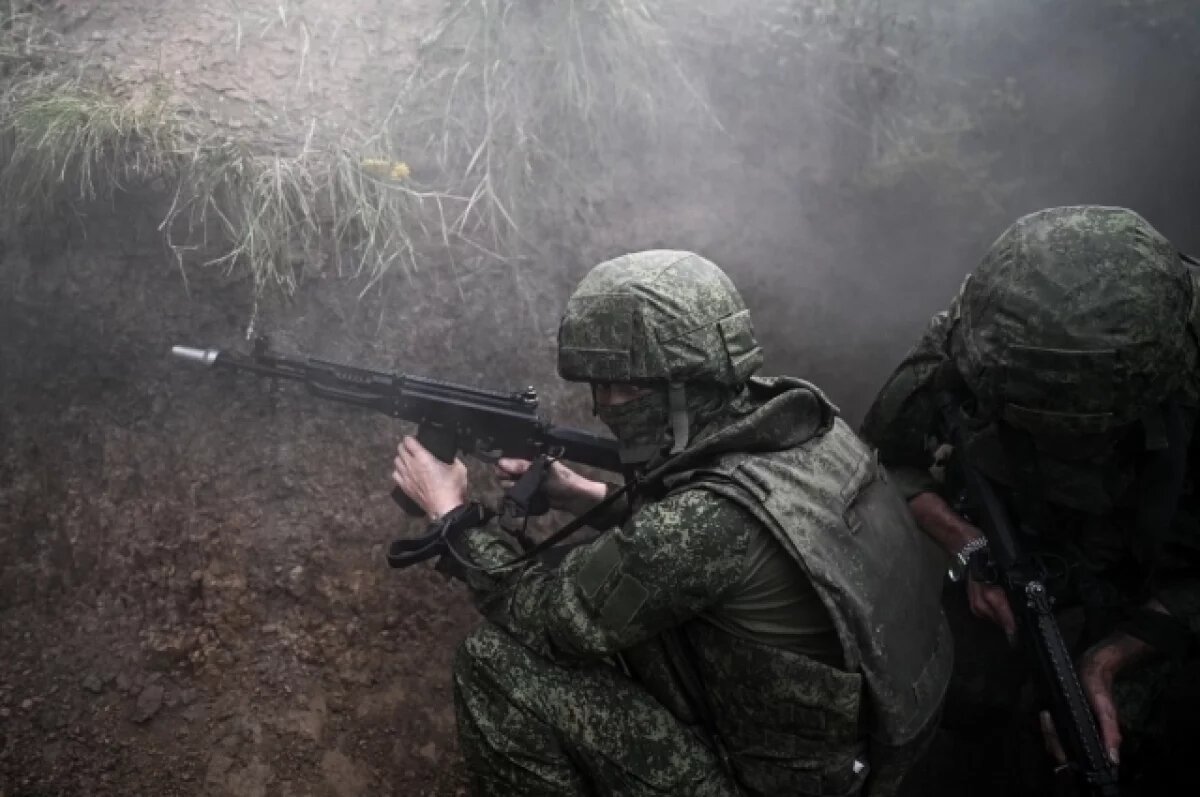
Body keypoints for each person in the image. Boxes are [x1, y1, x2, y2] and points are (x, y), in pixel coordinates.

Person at [393, 249, 951, 797]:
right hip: (863, 756)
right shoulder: (808, 430)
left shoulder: (709, 519)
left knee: (494, 664)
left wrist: (453, 517)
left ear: (686, 382)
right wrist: (586, 496)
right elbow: (707, 548)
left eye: (623, 386)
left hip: (782, 780)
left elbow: (541, 616)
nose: (604, 405)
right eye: (600, 386)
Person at [859, 206, 1200, 794]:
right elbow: (884, 459)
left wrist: (1112, 657)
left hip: (1168, 583)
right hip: (1014, 549)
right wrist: (967, 545)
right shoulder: (977, 341)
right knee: (964, 702)